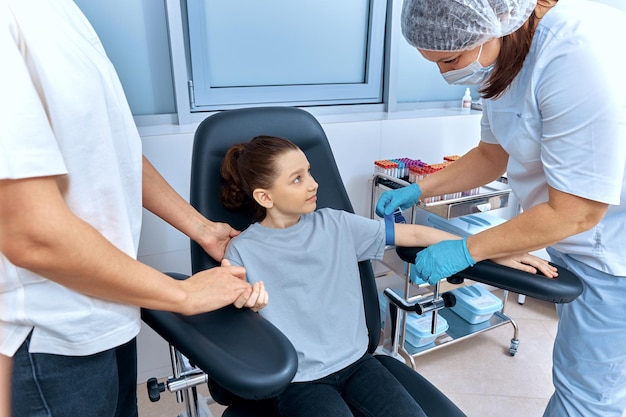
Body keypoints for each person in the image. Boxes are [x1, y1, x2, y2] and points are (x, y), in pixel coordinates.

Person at [0, 1, 267, 416]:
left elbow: (107, 152)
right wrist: (182, 294)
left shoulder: (59, 13)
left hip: (110, 307)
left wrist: (202, 228)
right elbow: (32, 234)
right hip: (50, 336)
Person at [377, 0, 626, 416]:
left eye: (451, 59)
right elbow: (492, 156)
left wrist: (467, 249)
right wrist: (419, 190)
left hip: (611, 247)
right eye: (435, 63)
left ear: (492, 23)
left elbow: (578, 210)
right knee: (585, 372)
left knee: (589, 395)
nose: (447, 73)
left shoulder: (574, 53)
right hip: (571, 235)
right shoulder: (500, 60)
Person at [220, 135, 555, 417]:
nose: (314, 183)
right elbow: (240, 326)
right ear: (265, 196)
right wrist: (246, 304)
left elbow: (415, 235)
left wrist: (495, 250)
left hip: (357, 364)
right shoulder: (241, 252)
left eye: (308, 172)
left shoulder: (336, 224)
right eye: (297, 179)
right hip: (301, 380)